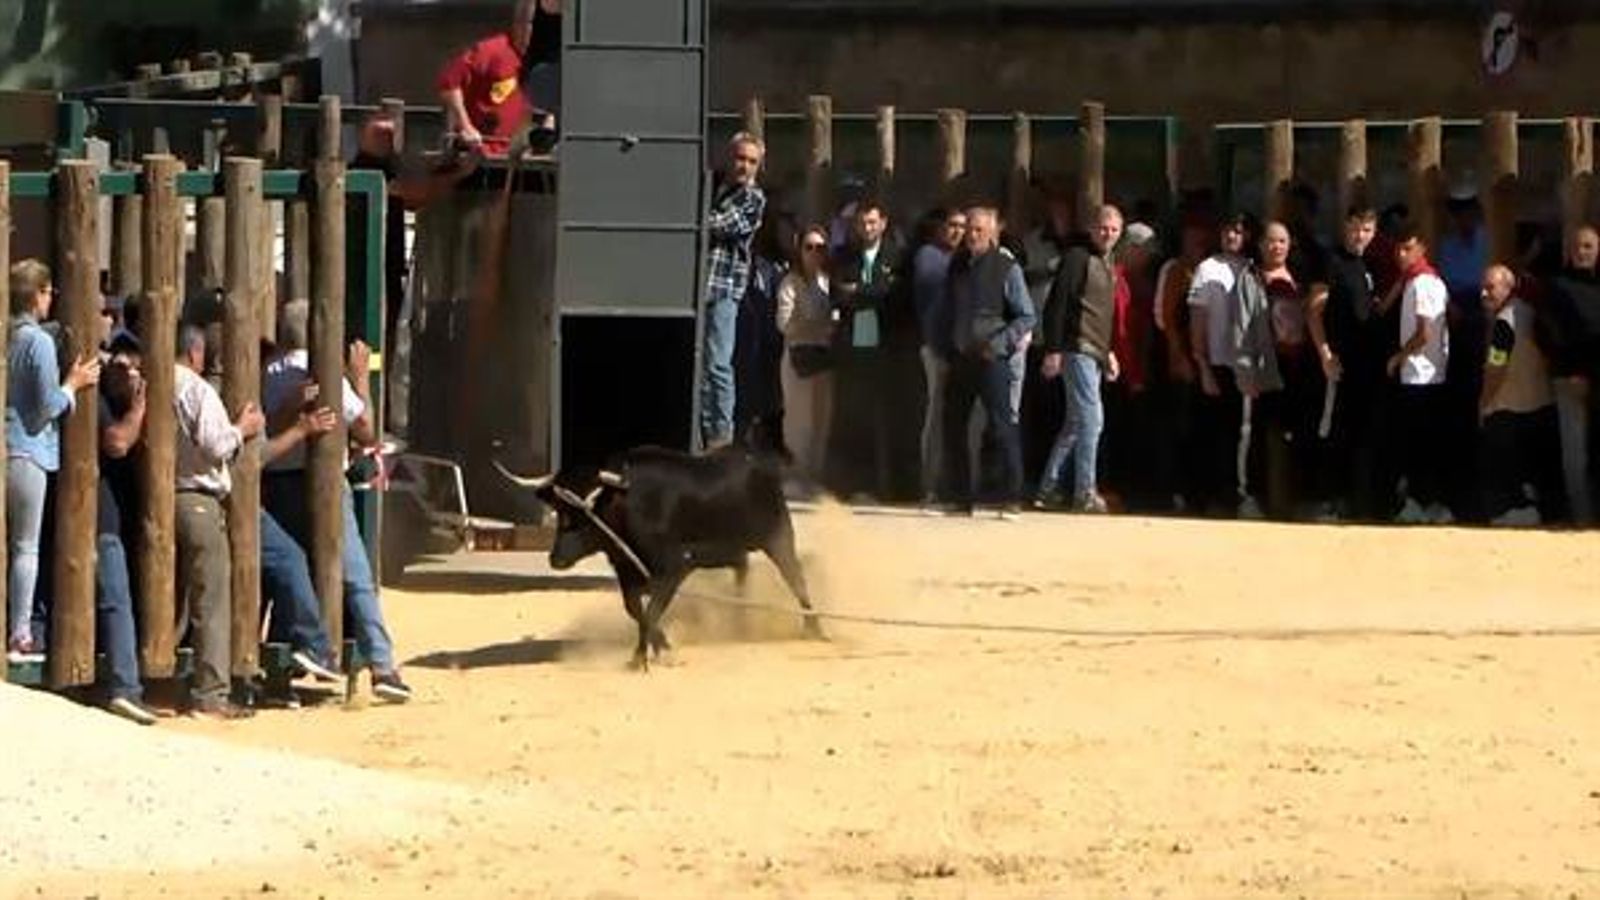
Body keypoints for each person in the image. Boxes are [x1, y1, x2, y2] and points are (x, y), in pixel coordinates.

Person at [260, 300, 412, 704]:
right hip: (322, 483)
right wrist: (360, 380)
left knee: (289, 577)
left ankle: (277, 672)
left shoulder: (267, 371)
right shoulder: (320, 368)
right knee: (356, 576)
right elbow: (365, 429)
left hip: (275, 484)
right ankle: (382, 665)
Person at [6, 260, 99, 663]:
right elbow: (47, 406)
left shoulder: (8, 337)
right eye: (48, 293)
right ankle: (21, 632)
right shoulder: (38, 342)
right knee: (26, 548)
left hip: (7, 446)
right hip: (30, 450)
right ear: (37, 294)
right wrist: (73, 385)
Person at [174, 324, 264, 719]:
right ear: (195, 353)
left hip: (164, 499)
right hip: (198, 500)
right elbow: (214, 446)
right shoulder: (197, 389)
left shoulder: (155, 382)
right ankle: (211, 692)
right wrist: (241, 430)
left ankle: (160, 677)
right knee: (211, 598)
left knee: (174, 597)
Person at [936, 206, 1035, 518]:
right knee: (952, 424)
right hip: (961, 356)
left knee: (1002, 425)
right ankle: (959, 497)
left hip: (991, 357)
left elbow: (1026, 315)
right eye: (969, 229)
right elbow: (948, 308)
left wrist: (999, 344)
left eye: (979, 230)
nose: (972, 235)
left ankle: (1012, 497)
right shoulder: (958, 265)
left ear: (993, 233)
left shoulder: (1007, 267)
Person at [1035, 205, 1125, 513]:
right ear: (1091, 228)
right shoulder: (1077, 258)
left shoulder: (1108, 261)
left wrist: (1108, 351)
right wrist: (1054, 349)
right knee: (1091, 420)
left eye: (1114, 229)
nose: (1108, 234)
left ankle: (1048, 489)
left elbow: (1102, 312)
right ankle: (1085, 491)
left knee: (1075, 423)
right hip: (1076, 347)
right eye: (1103, 228)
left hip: (1094, 350)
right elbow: (1059, 303)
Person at [1309, 205, 1391, 521]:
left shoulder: (1368, 264)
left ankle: (1358, 502)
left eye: (1367, 230)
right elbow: (1314, 310)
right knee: (1334, 430)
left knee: (1363, 432)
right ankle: (1327, 500)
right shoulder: (1332, 261)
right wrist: (1325, 354)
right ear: (1346, 228)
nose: (1361, 236)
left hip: (1367, 364)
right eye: (1356, 229)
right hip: (1340, 363)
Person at [1477, 265, 1563, 526]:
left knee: (1506, 472)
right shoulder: (1527, 312)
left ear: (1508, 287)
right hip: (1541, 405)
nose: (1484, 293)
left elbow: (1496, 366)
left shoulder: (1505, 322)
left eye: (1490, 287)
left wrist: (1484, 403)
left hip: (1508, 410)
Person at [698, 132, 767, 452]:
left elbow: (721, 225)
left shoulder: (753, 198)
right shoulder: (718, 188)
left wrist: (698, 216)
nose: (745, 166)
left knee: (718, 365)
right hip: (701, 286)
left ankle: (721, 437)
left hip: (724, 289)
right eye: (741, 158)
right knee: (699, 364)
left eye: (752, 161)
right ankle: (700, 429)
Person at [1385, 223, 1453, 524]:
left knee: (1418, 443)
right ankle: (1428, 501)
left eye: (1408, 248)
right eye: (1399, 249)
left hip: (1421, 374)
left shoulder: (1423, 283)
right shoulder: (1419, 280)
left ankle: (1420, 502)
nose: (1402, 254)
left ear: (1422, 248)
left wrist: (1399, 357)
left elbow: (1425, 332)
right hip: (1429, 373)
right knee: (1425, 442)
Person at [1187, 214, 1253, 517]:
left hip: (1244, 364)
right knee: (1209, 432)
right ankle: (1204, 495)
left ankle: (1232, 493)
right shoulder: (1206, 269)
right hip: (1215, 361)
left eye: (1238, 231)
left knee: (1238, 432)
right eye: (1228, 230)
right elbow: (1197, 320)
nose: (1232, 236)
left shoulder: (1252, 269)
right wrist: (1202, 364)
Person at [436, 0, 559, 156]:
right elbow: (449, 82)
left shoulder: (545, 61)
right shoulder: (491, 51)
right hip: (484, 157)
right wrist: (466, 126)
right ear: (519, 24)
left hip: (525, 159)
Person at [1541, 225, 1600, 526]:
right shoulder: (1557, 286)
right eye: (1578, 246)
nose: (1582, 252)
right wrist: (1572, 370)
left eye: (1589, 246)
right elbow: (1551, 334)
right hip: (1571, 379)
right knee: (1575, 455)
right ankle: (1582, 518)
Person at [912, 209, 967, 505]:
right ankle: (930, 484)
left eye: (962, 226)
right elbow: (936, 287)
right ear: (941, 228)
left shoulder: (968, 260)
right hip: (936, 346)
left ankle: (958, 483)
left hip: (963, 350)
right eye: (952, 225)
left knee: (964, 420)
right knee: (935, 418)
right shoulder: (929, 257)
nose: (958, 231)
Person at [775, 226, 836, 491]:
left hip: (825, 356)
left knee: (822, 420)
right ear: (799, 251)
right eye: (809, 247)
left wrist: (820, 326)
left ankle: (815, 476)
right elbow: (784, 324)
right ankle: (795, 477)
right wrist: (817, 325)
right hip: (798, 355)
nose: (814, 253)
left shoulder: (829, 280)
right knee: (798, 421)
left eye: (820, 247)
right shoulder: (790, 282)